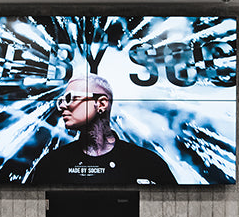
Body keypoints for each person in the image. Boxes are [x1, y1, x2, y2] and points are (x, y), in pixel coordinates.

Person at [28, 75, 177, 185]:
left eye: (69, 98)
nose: (62, 106)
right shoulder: (51, 164)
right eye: (60, 101)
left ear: (101, 104)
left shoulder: (147, 163)